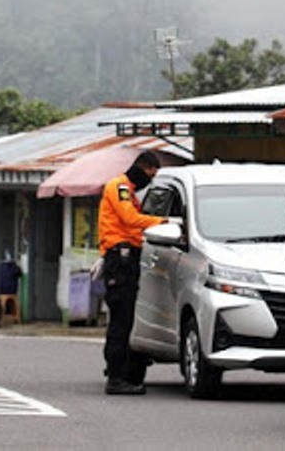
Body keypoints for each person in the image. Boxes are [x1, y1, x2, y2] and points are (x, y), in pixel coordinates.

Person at [92, 151, 169, 395]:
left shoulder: (129, 191)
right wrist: (163, 222)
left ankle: (115, 370)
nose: (150, 179)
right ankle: (116, 378)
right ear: (142, 167)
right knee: (121, 319)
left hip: (124, 257)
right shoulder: (120, 187)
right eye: (150, 174)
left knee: (122, 318)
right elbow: (129, 218)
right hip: (120, 258)